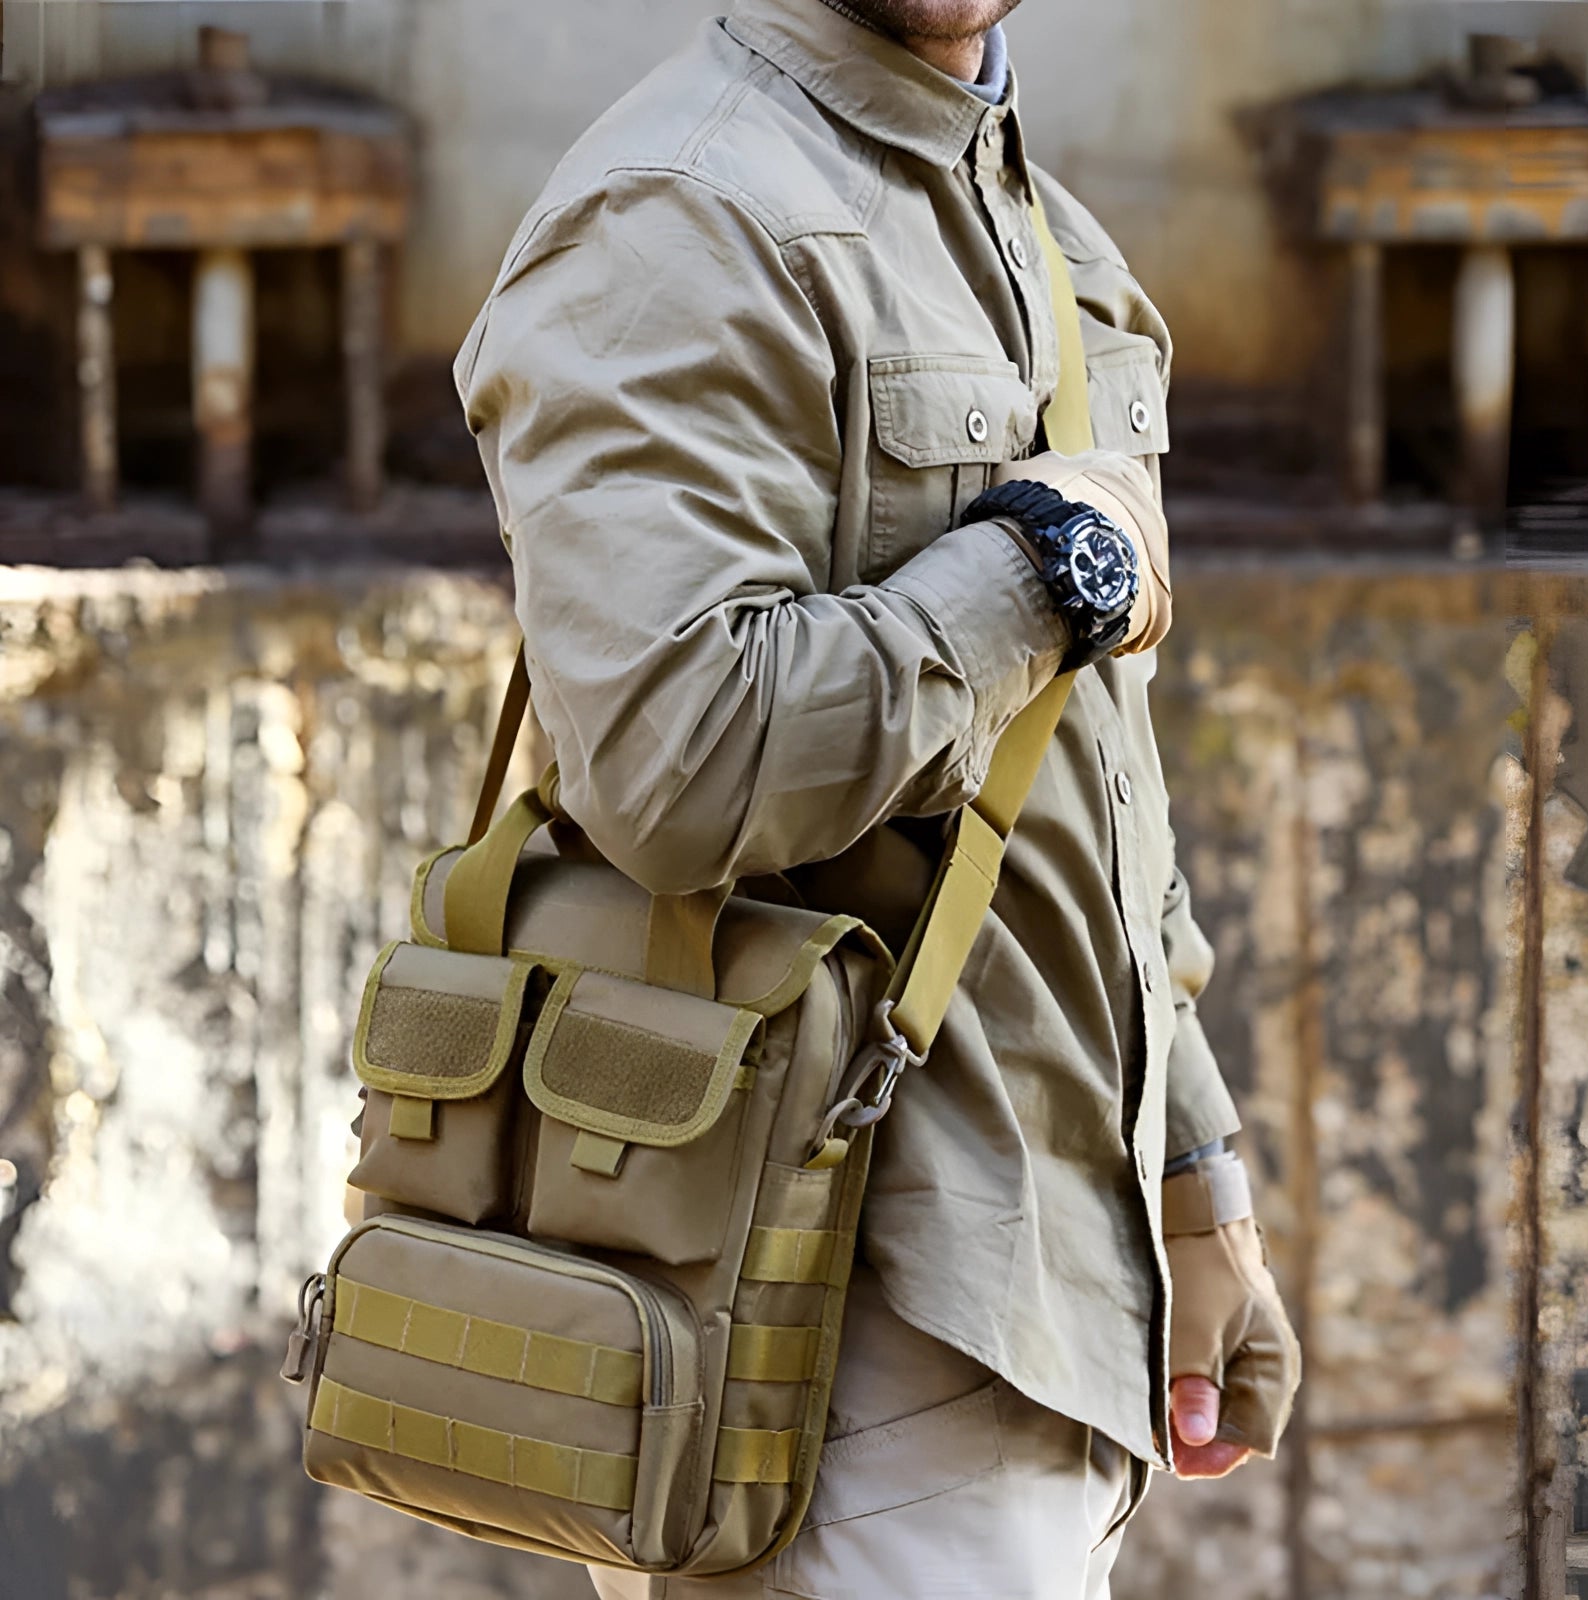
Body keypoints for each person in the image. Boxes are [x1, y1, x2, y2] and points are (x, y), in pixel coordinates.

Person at [455, 2, 1301, 1594]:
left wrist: (1197, 1188)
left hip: (1046, 1294)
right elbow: (676, 767)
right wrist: (1042, 567)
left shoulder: (1038, 229)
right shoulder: (677, 213)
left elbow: (1093, 785)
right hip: (829, 1340)